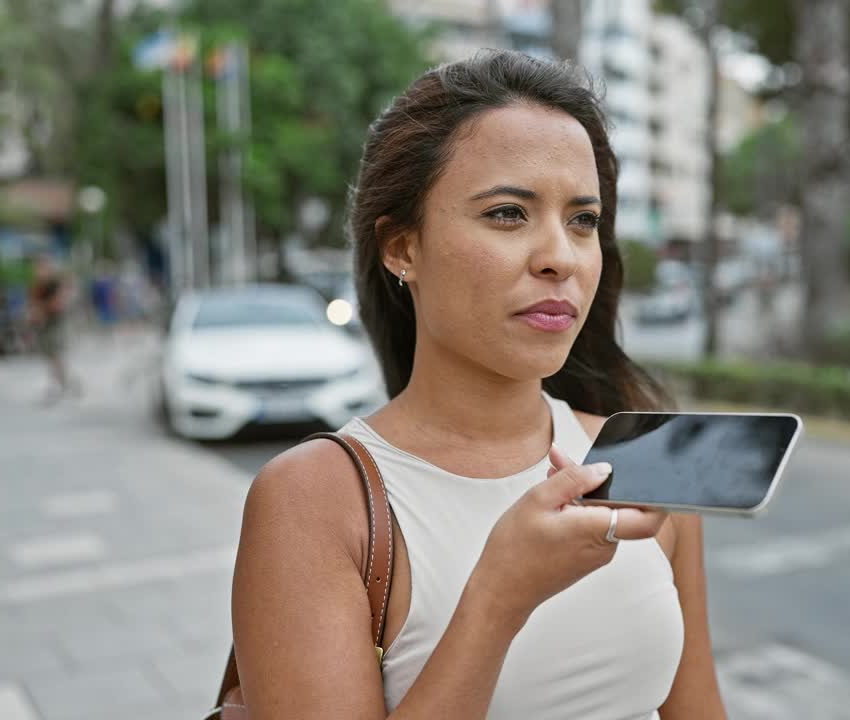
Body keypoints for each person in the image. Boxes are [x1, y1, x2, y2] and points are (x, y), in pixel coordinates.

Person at [230, 51, 728, 719]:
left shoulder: (638, 460)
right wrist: (498, 598)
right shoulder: (313, 502)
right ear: (402, 247)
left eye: (582, 220)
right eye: (507, 214)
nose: (560, 256)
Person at [28, 254, 82, 403]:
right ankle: (65, 383)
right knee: (50, 355)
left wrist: (42, 309)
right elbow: (34, 302)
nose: (38, 270)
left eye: (41, 267)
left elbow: (59, 303)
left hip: (55, 322)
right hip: (44, 323)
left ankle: (62, 384)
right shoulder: (38, 284)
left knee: (55, 353)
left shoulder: (54, 283)